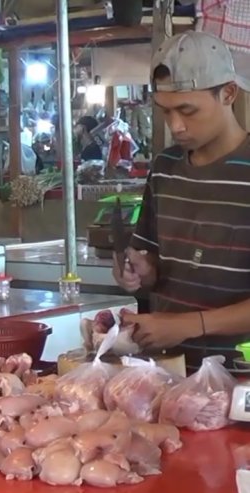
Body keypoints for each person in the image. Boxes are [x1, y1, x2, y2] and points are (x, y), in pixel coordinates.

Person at [113, 30, 250, 366]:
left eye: (188, 111)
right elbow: (156, 264)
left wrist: (188, 326)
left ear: (228, 93)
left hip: (240, 377)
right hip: (169, 372)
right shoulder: (165, 168)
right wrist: (142, 273)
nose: (176, 126)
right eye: (165, 111)